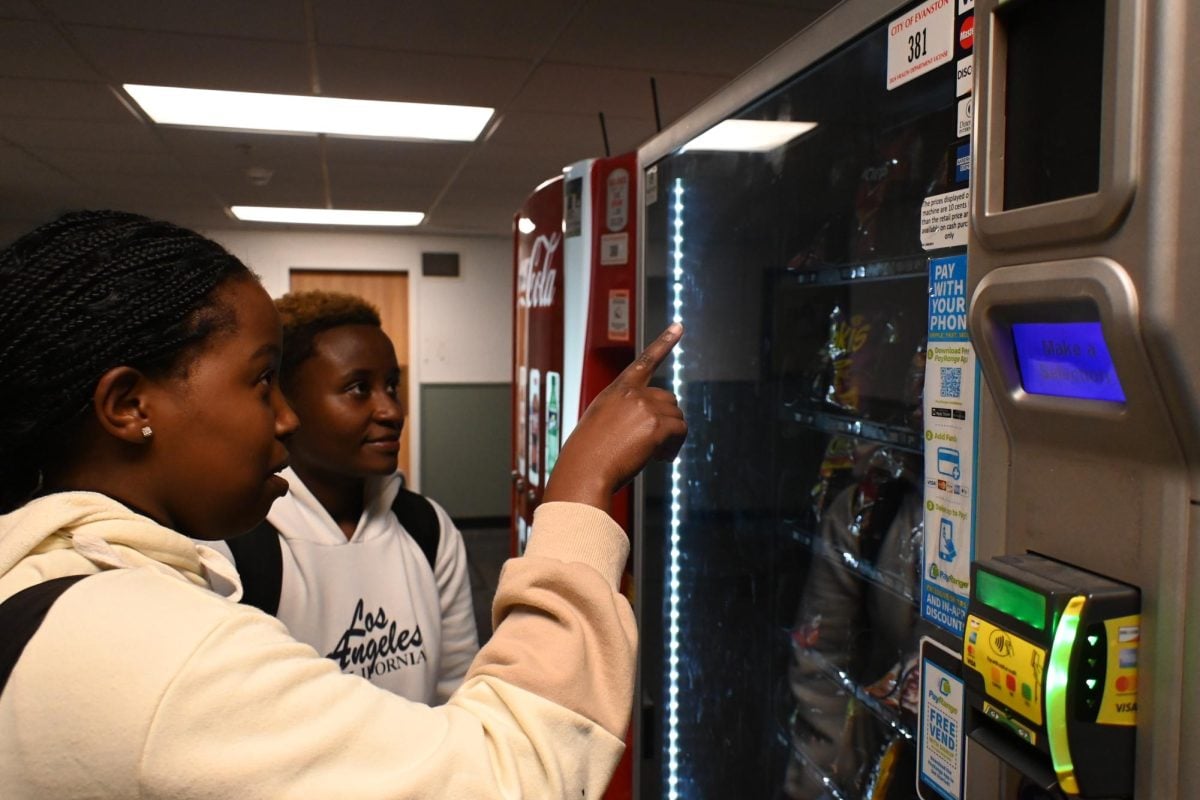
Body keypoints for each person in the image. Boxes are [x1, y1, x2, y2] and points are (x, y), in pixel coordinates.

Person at [0, 210, 687, 798]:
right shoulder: (152, 649)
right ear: (129, 405)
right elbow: (507, 776)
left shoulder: (46, 580)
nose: (285, 419)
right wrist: (581, 490)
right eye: (262, 381)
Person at [214, 290, 478, 704]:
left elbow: (457, 689)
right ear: (286, 401)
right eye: (358, 389)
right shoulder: (233, 544)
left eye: (392, 385)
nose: (391, 410)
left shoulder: (426, 527)